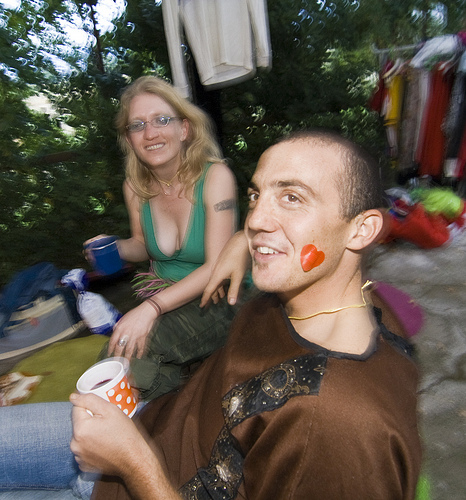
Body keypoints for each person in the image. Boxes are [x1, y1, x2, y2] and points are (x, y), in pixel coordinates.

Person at [0, 130, 421, 499]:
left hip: (134, 469)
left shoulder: (338, 424)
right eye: (256, 195)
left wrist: (134, 463)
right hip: (143, 424)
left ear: (362, 229)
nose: (257, 219)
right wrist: (241, 242)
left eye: (292, 197)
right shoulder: (326, 297)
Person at [85, 75, 242, 401]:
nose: (150, 133)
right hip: (165, 294)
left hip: (217, 299)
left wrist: (151, 308)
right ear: (129, 139)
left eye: (161, 120)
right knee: (146, 371)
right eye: (137, 125)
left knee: (124, 352)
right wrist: (115, 247)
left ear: (184, 129)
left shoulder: (216, 177)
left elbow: (218, 266)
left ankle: (107, 418)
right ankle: (157, 416)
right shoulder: (135, 186)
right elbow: (143, 246)